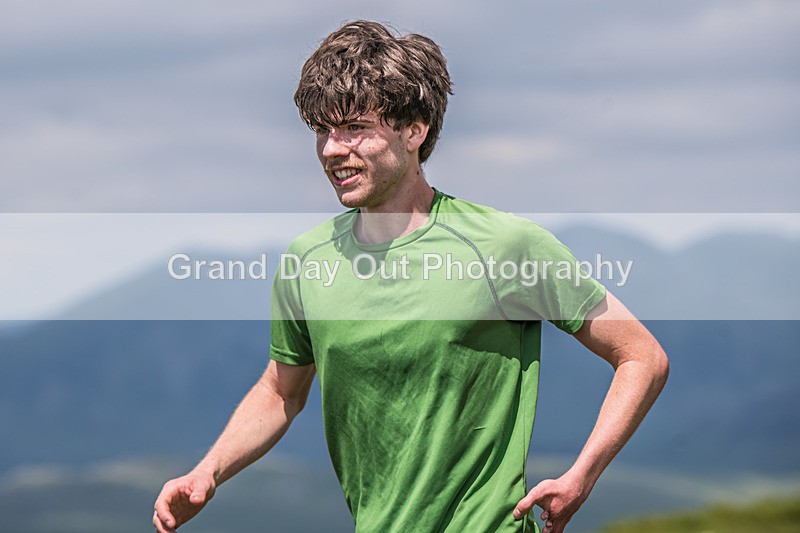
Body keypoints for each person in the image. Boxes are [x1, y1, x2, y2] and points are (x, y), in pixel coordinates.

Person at [154, 20, 668, 533]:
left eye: (355, 127)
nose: (333, 148)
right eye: (322, 130)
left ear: (414, 131)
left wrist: (583, 474)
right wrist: (208, 471)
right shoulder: (306, 261)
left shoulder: (504, 246)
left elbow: (641, 356)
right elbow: (281, 391)